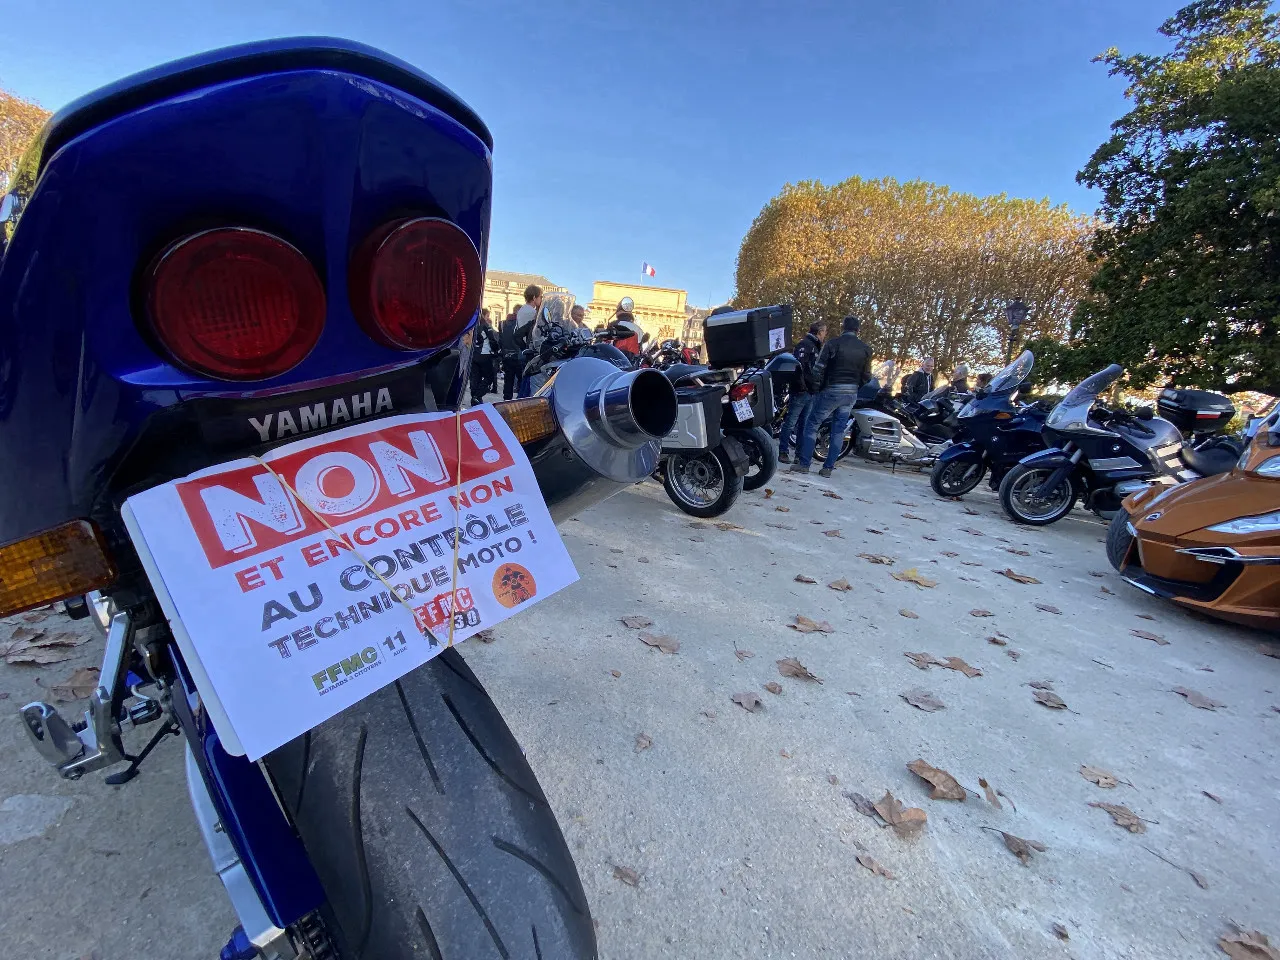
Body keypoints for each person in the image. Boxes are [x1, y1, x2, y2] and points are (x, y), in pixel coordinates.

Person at [791, 315, 873, 477]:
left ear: (842, 328)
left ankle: (804, 463)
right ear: (858, 330)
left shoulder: (832, 344)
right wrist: (856, 387)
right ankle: (828, 468)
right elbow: (867, 376)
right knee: (838, 430)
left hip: (831, 390)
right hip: (850, 393)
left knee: (812, 425)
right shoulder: (865, 349)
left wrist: (817, 388)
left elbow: (817, 369)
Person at [778, 321, 825, 463]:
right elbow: (799, 367)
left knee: (803, 425)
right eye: (824, 332)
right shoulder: (806, 345)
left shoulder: (814, 347)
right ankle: (783, 451)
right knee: (791, 423)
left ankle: (799, 454)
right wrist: (802, 386)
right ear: (819, 332)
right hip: (801, 391)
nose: (824, 336)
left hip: (810, 391)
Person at [469, 309, 499, 403]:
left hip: (473, 354)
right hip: (484, 354)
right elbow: (492, 340)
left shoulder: (472, 325)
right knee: (489, 377)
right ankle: (478, 396)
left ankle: (474, 397)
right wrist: (496, 350)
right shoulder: (485, 325)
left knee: (475, 377)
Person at [499, 310, 524, 400]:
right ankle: (520, 399)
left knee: (508, 380)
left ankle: (506, 399)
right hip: (517, 355)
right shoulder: (518, 324)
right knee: (521, 379)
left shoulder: (502, 324)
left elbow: (500, 341)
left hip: (506, 356)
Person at [515, 284, 543, 348]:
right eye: (540, 297)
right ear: (534, 298)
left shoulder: (522, 309)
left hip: (523, 344)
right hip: (530, 346)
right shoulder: (532, 312)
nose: (541, 299)